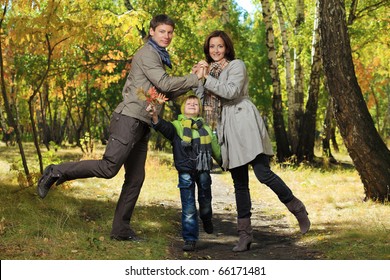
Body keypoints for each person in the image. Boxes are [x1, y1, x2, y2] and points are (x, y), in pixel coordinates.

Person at [37, 14, 204, 242]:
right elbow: (165, 82)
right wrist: (193, 78)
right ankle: (56, 171)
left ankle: (120, 230)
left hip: (142, 123)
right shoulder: (148, 53)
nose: (167, 36)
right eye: (163, 31)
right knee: (109, 168)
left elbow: (166, 92)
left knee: (135, 179)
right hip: (129, 119)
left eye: (170, 32)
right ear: (152, 31)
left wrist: (195, 79)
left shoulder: (159, 57)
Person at [194, 30, 310, 252]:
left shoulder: (236, 65)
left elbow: (231, 91)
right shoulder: (209, 72)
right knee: (240, 184)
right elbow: (201, 100)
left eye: (219, 46)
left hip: (243, 118)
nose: (215, 50)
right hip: (226, 125)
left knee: (262, 173)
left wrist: (206, 78)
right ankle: (244, 235)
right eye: (211, 47)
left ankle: (297, 208)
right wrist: (198, 79)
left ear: (227, 47)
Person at [147, 95, 221, 251]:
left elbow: (215, 150)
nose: (192, 105)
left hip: (203, 171)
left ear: (199, 109)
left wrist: (225, 163)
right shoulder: (177, 126)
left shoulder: (206, 128)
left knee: (205, 199)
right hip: (185, 170)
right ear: (183, 108)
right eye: (189, 103)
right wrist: (154, 116)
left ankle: (206, 217)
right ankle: (190, 238)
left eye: (195, 103)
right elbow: (164, 127)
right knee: (188, 205)